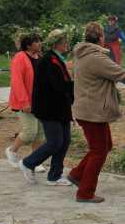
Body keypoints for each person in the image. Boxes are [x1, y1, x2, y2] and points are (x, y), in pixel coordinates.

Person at [68, 22, 125, 203]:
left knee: (104, 146)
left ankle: (76, 175)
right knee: (99, 151)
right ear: (101, 38)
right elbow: (123, 75)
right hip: (93, 112)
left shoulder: (83, 56)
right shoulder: (96, 58)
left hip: (88, 109)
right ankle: (85, 193)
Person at [19, 29, 74, 186]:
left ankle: (55, 175)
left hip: (60, 108)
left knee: (65, 141)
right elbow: (58, 85)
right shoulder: (49, 60)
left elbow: (63, 85)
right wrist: (76, 86)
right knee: (55, 141)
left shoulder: (57, 59)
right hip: (49, 108)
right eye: (65, 43)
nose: (67, 45)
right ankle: (28, 163)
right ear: (58, 44)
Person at [5, 32, 46, 173]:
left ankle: (36, 160)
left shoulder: (39, 57)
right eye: (37, 41)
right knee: (30, 132)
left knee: (41, 133)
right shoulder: (20, 58)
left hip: (40, 101)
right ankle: (12, 150)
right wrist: (24, 102)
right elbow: (17, 82)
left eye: (40, 41)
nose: (40, 43)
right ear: (28, 45)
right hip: (25, 102)